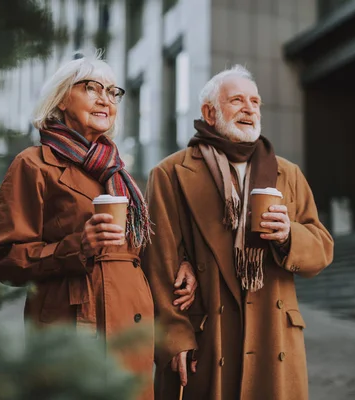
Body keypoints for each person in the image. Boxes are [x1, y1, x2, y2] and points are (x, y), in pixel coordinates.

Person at [0, 52, 196, 400]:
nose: (105, 99)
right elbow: (2, 257)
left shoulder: (119, 173)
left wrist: (182, 262)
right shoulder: (34, 164)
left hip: (133, 330)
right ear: (63, 98)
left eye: (113, 92)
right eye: (92, 88)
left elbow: (141, 250)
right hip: (73, 329)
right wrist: (77, 246)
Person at [142, 65, 334, 400]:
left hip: (274, 339)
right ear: (209, 111)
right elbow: (158, 263)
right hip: (205, 338)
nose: (249, 108)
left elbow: (321, 250)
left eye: (255, 101)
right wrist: (173, 337)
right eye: (237, 100)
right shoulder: (170, 173)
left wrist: (289, 235)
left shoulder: (287, 173)